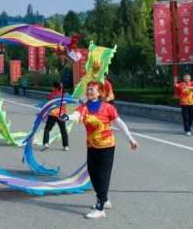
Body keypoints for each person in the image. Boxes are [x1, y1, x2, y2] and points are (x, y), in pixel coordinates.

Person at [59, 81, 138, 219]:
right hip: (92, 146)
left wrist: (130, 139)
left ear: (100, 92)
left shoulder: (108, 107)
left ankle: (100, 207)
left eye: (92, 90)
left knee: (102, 175)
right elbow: (75, 116)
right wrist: (66, 117)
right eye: (88, 90)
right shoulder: (84, 108)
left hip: (107, 146)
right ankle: (105, 199)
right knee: (93, 173)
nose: (89, 92)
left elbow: (119, 123)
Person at [42, 82, 69, 151]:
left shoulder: (51, 95)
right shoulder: (64, 95)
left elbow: (47, 105)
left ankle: (46, 143)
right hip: (61, 115)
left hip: (53, 114)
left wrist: (45, 116)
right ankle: (66, 146)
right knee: (63, 130)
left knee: (47, 129)